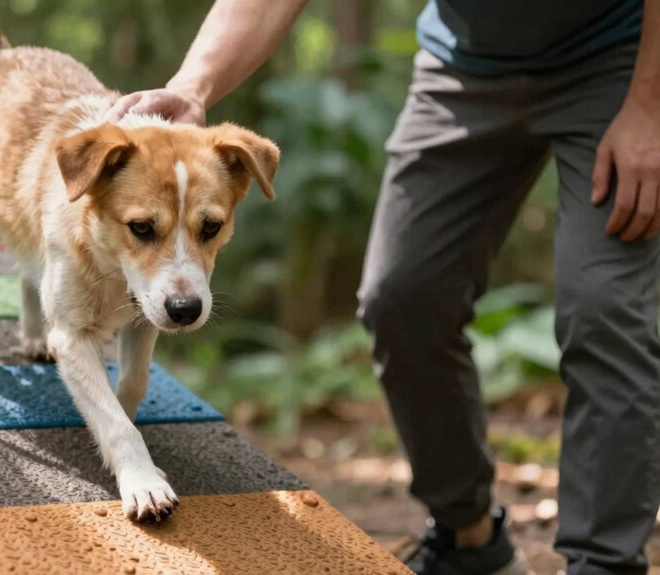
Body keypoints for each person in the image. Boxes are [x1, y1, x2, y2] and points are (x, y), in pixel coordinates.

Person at [106, 1, 660, 574]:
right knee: (403, 298)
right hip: (465, 67)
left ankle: (605, 564)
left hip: (618, 62)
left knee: (603, 308)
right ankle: (470, 542)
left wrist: (652, 105)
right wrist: (194, 87)